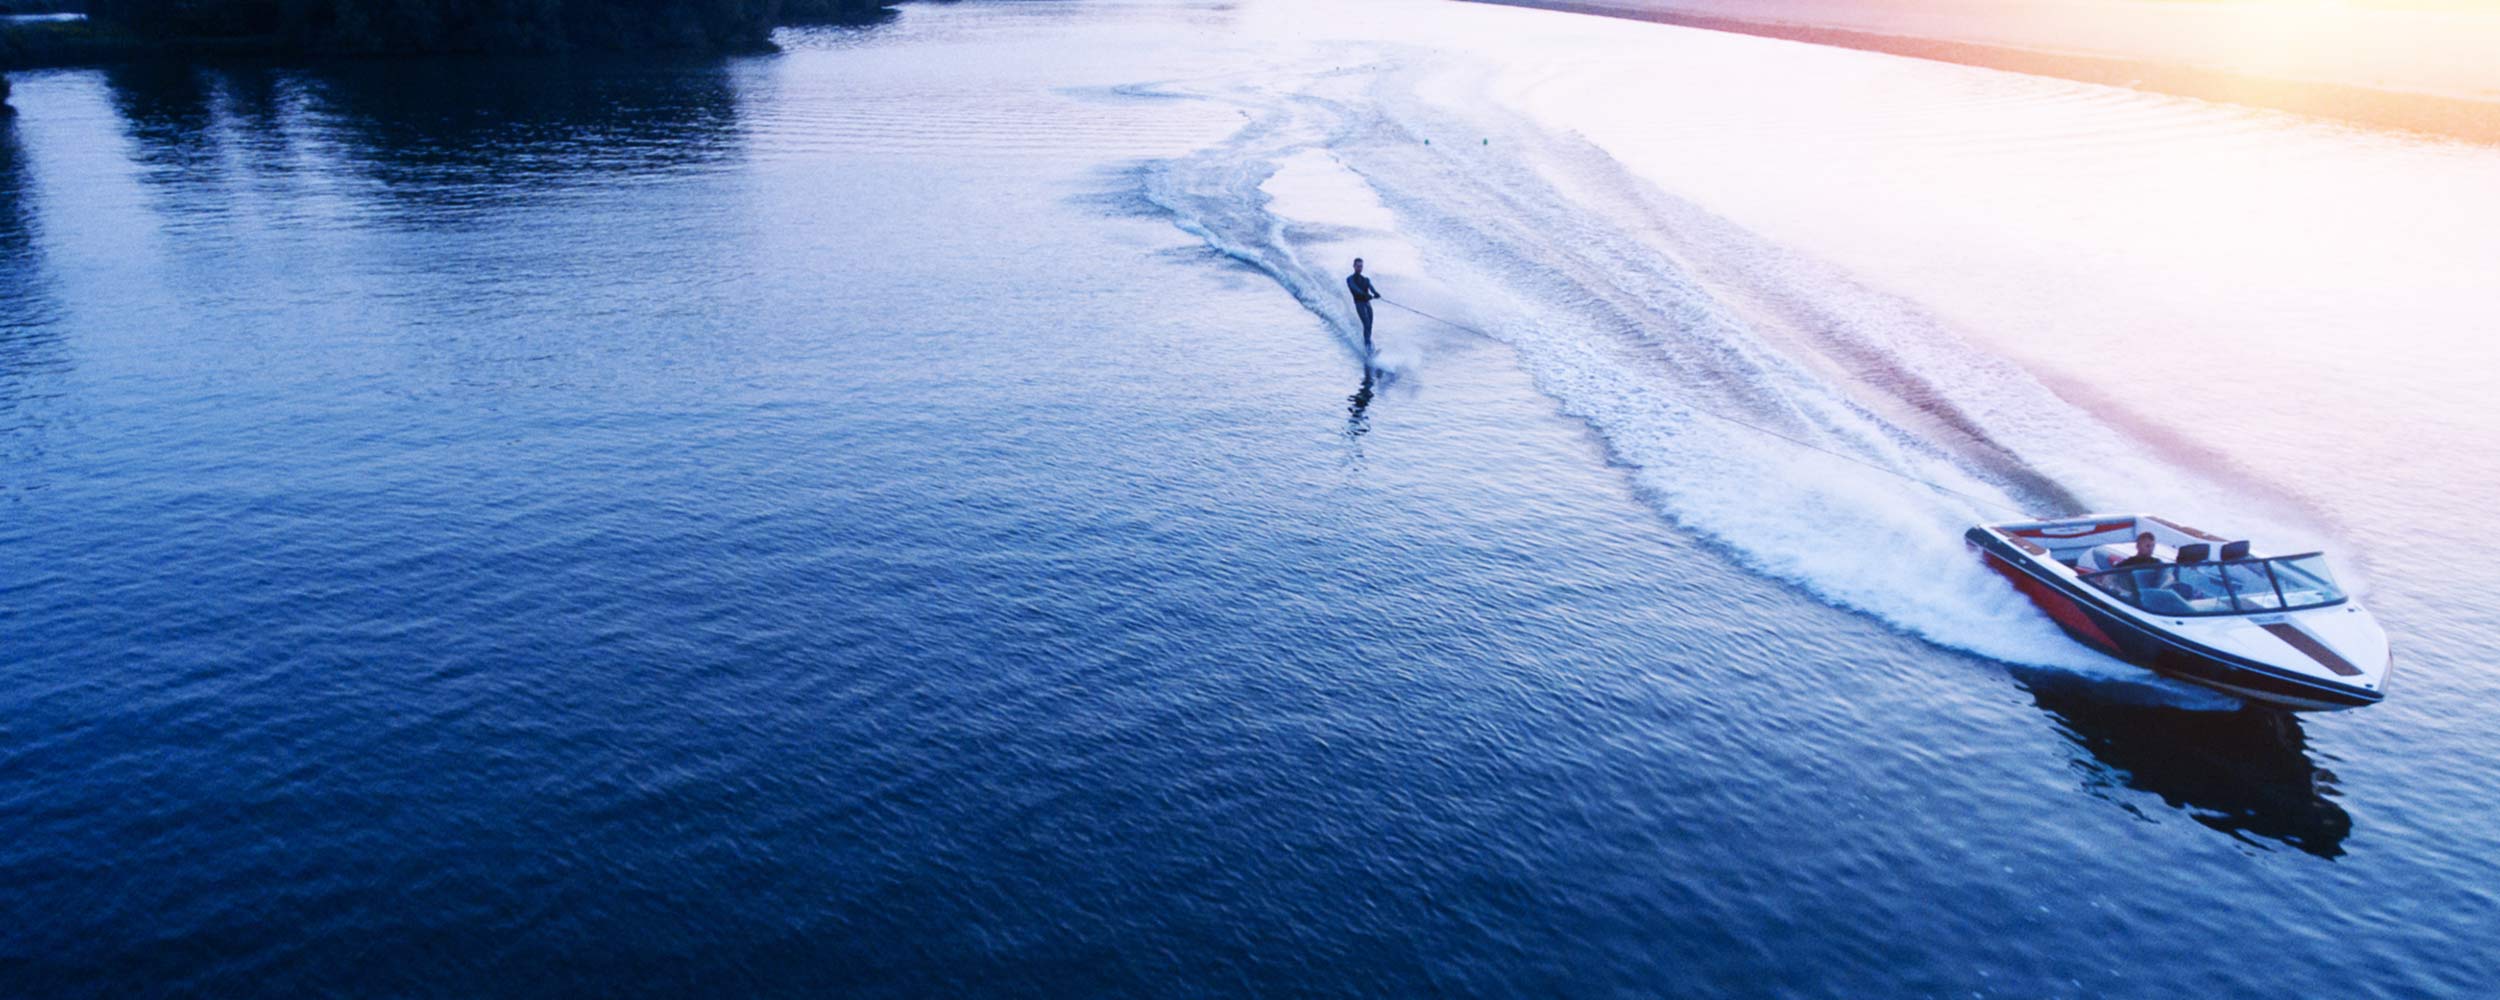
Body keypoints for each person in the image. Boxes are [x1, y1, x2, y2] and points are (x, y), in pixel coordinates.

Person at [1345, 258, 1381, 350]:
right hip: (1359, 304)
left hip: (1367, 303)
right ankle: (1367, 346)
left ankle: (1368, 343)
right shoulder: (1350, 279)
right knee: (1366, 324)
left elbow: (1371, 288)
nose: (1359, 268)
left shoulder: (1366, 279)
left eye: (1361, 266)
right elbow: (1355, 288)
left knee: (1370, 325)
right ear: (1354, 266)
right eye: (1358, 266)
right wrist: (1365, 294)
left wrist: (1376, 293)